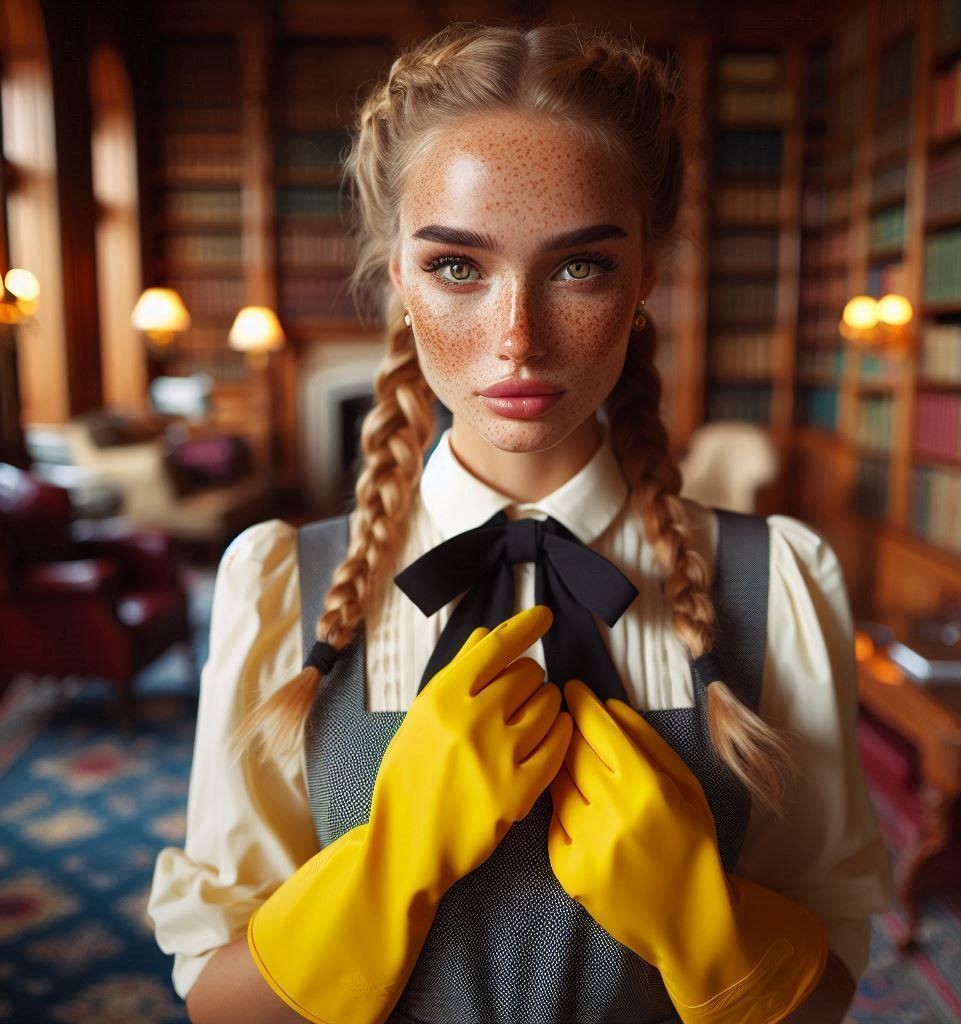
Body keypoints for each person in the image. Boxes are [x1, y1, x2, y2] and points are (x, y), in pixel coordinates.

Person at [148, 22, 893, 1024]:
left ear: (643, 280)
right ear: (399, 279)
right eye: (459, 266)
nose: (517, 341)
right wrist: (390, 865)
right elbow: (219, 1002)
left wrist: (697, 922)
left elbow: (828, 991)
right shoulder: (278, 581)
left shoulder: (780, 578)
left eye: (578, 268)